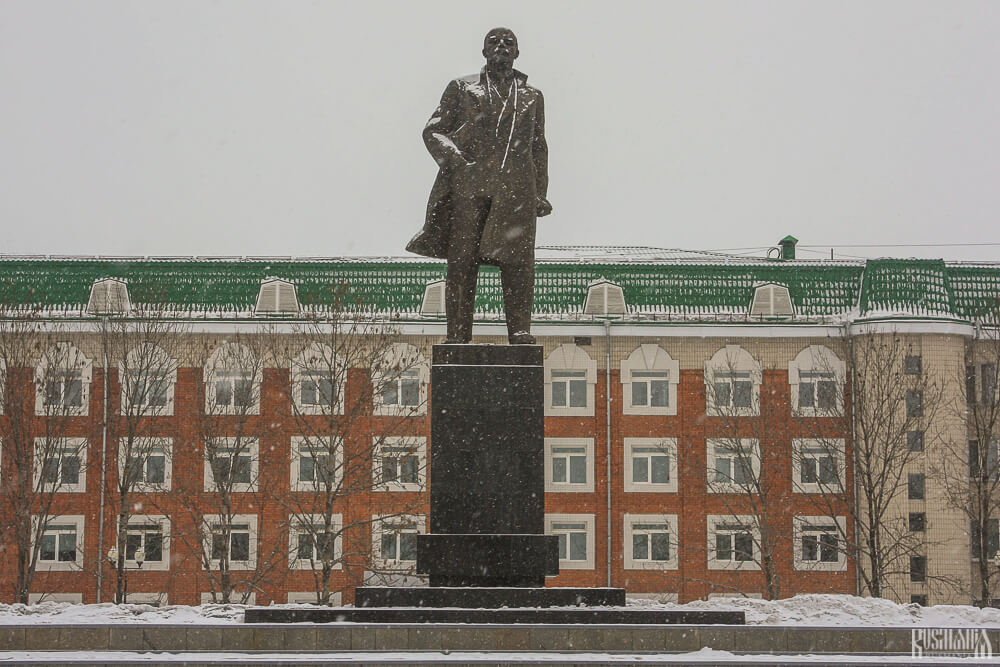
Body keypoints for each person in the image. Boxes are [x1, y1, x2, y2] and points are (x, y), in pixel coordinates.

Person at [406, 27, 551, 344]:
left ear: (517, 52)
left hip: (517, 191)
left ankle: (520, 330)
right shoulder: (462, 88)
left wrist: (540, 192)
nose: (501, 46)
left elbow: (538, 146)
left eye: (508, 42)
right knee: (462, 262)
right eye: (494, 42)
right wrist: (456, 160)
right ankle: (457, 335)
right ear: (484, 51)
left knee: (518, 263)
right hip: (470, 188)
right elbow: (433, 131)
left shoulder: (532, 97)